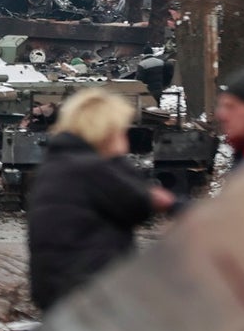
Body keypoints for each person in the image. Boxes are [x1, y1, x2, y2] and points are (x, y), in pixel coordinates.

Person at [27, 89, 177, 311]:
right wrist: (117, 159)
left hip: (61, 289)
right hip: (88, 292)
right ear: (105, 130)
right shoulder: (91, 168)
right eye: (121, 129)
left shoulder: (58, 164)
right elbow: (138, 206)